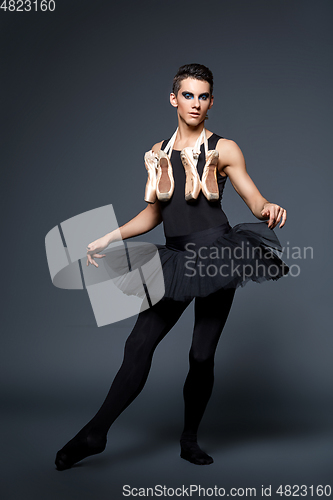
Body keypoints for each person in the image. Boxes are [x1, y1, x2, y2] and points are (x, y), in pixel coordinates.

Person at [55, 63, 288, 471]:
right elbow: (153, 215)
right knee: (138, 344)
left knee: (201, 356)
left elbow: (253, 198)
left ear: (211, 102)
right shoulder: (158, 153)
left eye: (203, 96)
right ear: (173, 98)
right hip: (176, 259)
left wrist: (267, 207)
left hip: (217, 257)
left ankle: (189, 440)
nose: (195, 103)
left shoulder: (225, 148)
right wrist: (110, 236)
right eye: (188, 95)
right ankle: (94, 433)